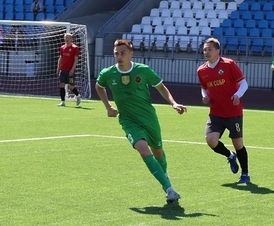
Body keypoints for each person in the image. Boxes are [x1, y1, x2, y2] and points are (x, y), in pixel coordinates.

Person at [96, 39, 187, 204]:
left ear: (131, 53)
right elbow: (99, 86)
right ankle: (170, 189)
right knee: (144, 151)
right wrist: (108, 106)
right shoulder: (107, 73)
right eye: (117, 53)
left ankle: (163, 176)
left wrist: (174, 103)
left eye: (123, 53)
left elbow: (160, 86)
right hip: (128, 121)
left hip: (149, 118)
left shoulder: (143, 71)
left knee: (158, 151)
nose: (119, 56)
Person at [197, 38, 250, 184]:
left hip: (233, 111)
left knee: (238, 143)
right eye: (204, 49)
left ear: (217, 51)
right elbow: (204, 88)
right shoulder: (201, 70)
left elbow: (243, 83)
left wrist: (237, 95)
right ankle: (230, 155)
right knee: (211, 140)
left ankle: (245, 174)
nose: (206, 52)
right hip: (215, 112)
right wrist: (205, 96)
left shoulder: (229, 64)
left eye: (209, 49)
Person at [56, 33, 81, 107]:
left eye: (68, 38)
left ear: (71, 39)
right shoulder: (62, 47)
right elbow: (61, 58)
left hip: (70, 71)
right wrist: (58, 68)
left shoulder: (75, 48)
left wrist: (72, 69)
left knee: (71, 86)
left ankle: (78, 95)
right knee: (61, 85)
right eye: (65, 38)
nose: (66, 39)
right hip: (63, 70)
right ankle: (63, 101)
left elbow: (76, 59)